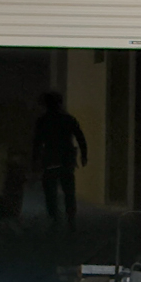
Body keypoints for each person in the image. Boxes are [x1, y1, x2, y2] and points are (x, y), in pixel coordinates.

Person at [32, 91, 88, 230]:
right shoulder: (68, 119)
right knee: (68, 190)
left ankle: (55, 218)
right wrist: (83, 155)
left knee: (50, 191)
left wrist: (35, 159)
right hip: (66, 159)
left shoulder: (43, 120)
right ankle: (70, 218)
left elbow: (37, 142)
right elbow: (80, 137)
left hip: (51, 159)